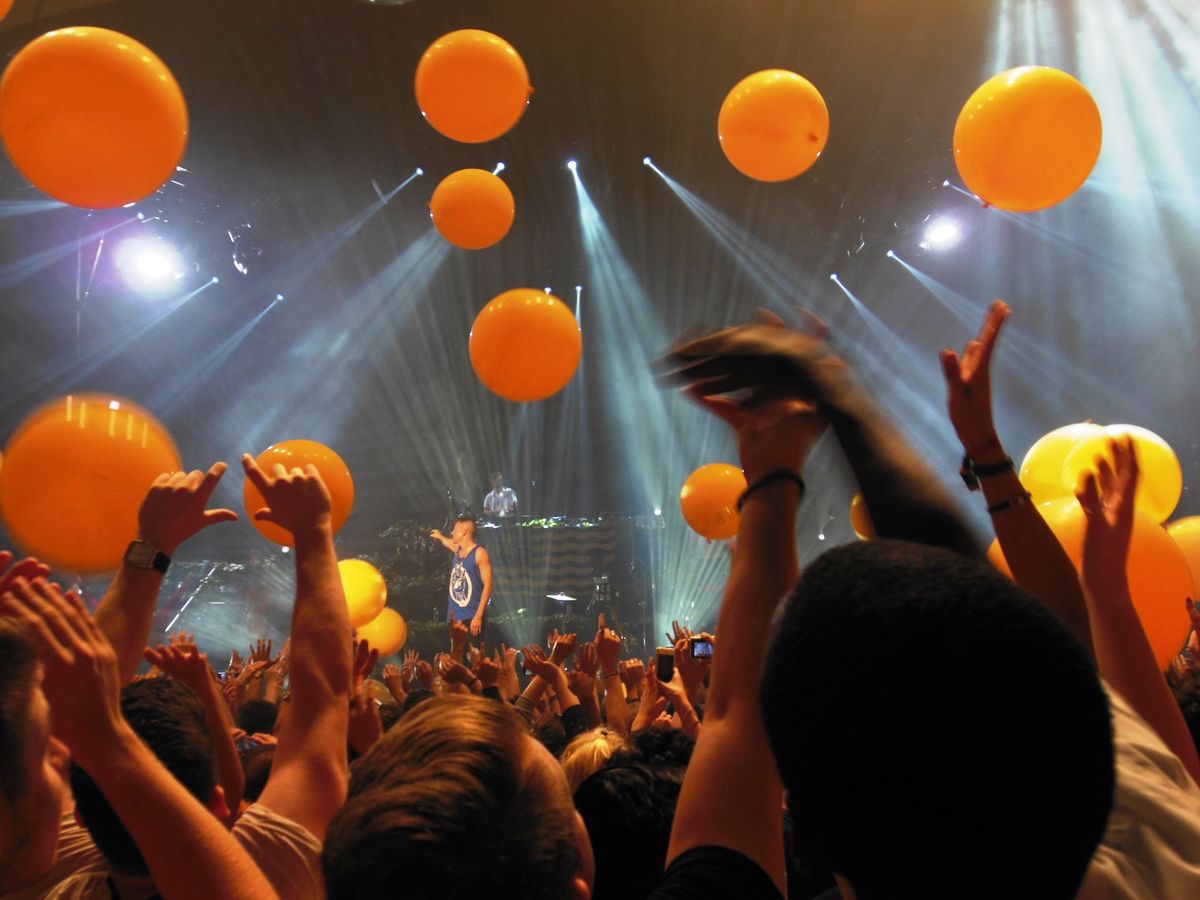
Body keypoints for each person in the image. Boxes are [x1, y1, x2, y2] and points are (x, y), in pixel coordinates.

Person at [429, 516, 493, 637]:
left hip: (472, 616)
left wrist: (478, 616)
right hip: (455, 617)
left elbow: (488, 585)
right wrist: (440, 536)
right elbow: (449, 543)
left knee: (473, 654)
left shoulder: (480, 553)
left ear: (464, 531)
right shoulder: (458, 550)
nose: (452, 532)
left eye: (455, 529)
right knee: (457, 654)